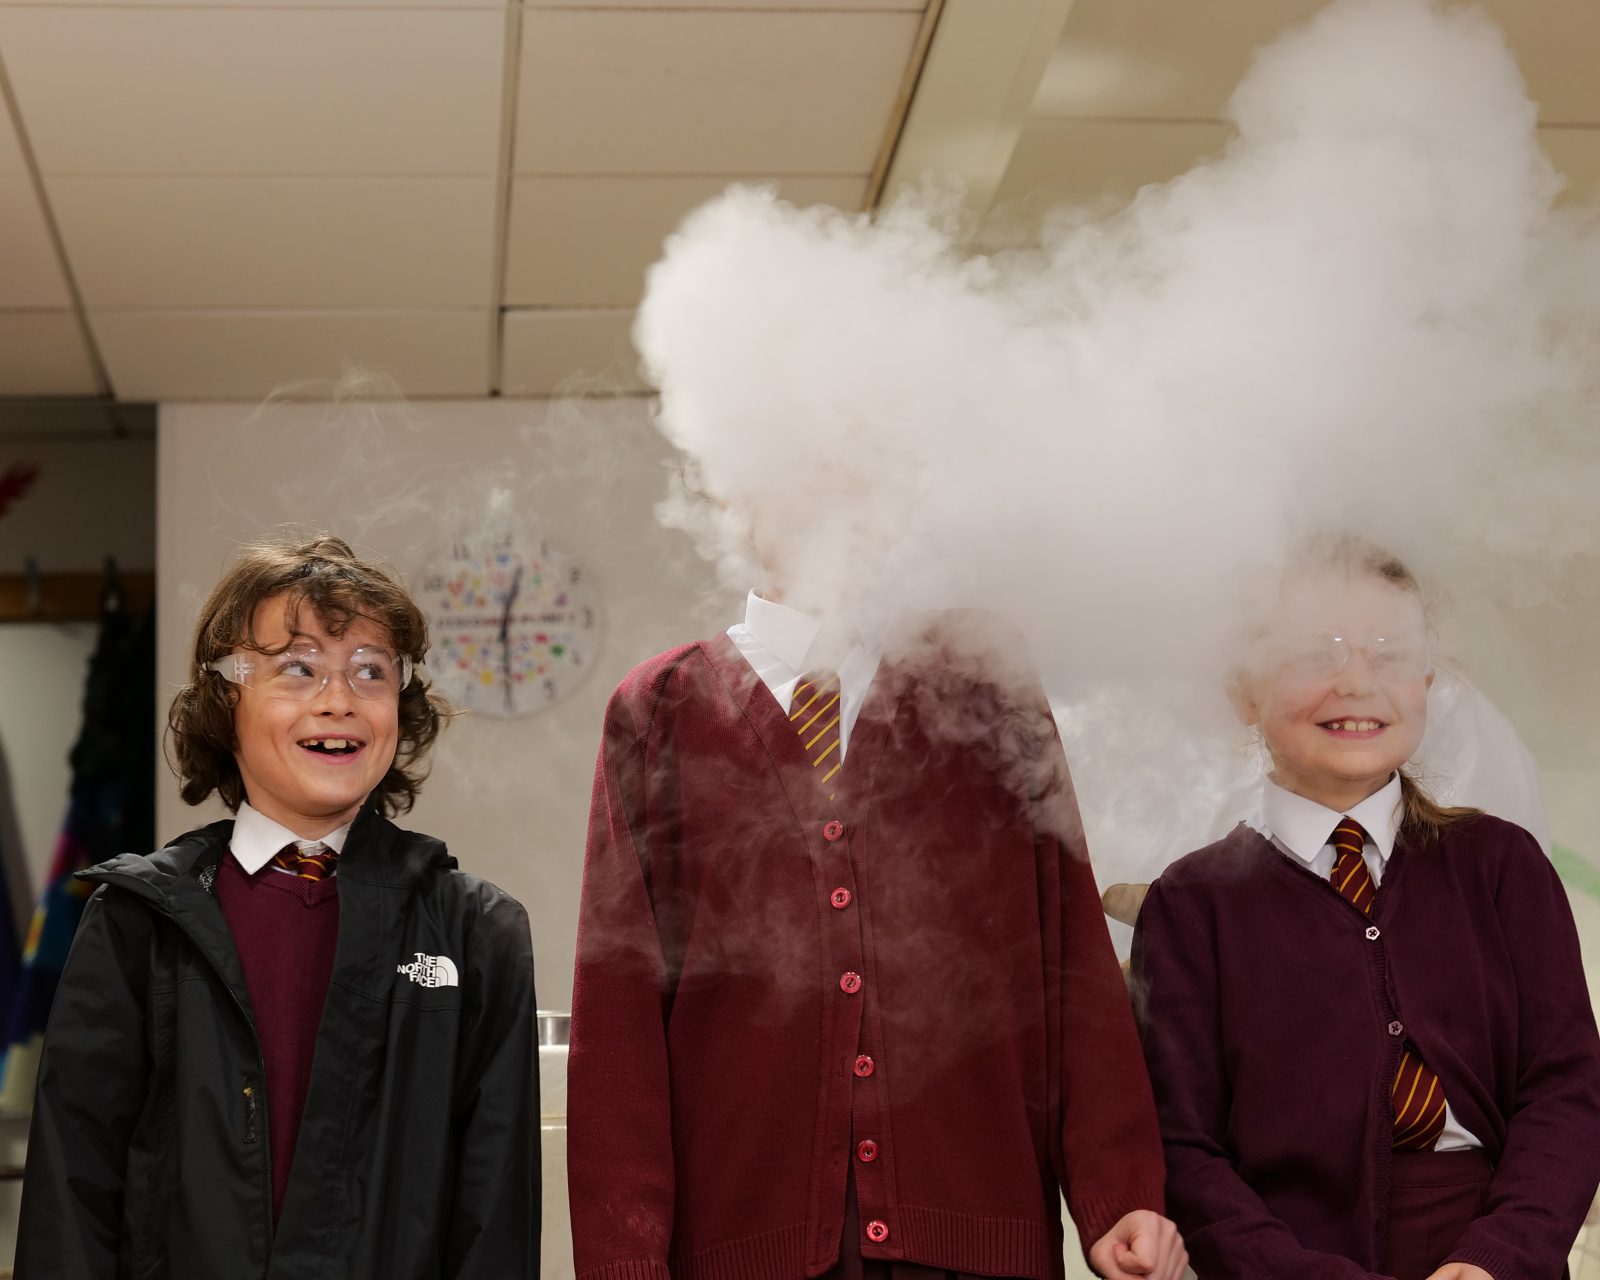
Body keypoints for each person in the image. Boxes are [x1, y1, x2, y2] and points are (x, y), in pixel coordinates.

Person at [568, 584, 1186, 1280]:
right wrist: (624, 1262)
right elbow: (619, 1020)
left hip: (978, 1237)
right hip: (742, 1247)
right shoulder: (658, 709)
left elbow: (1069, 955)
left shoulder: (984, 688)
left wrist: (1120, 1191)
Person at [16, 535, 538, 1279]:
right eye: (298, 668)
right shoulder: (138, 920)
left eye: (370, 672)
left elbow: (496, 1227)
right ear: (225, 700)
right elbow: (71, 1197)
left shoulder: (477, 932)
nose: (339, 699)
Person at [1132, 535, 1600, 1279]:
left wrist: (1496, 1260)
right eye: (1317, 652)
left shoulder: (1501, 865)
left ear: (1427, 678)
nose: (1358, 681)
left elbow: (1567, 1089)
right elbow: (1184, 1149)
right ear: (1243, 692)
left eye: (1388, 651)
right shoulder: (1191, 906)